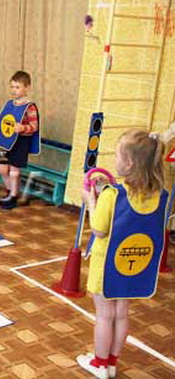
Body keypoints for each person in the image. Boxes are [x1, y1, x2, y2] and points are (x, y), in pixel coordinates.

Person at [77, 129, 168, 379]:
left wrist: (91, 201)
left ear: (128, 163)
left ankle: (99, 364)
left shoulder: (112, 195)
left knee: (105, 315)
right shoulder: (158, 195)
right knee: (121, 313)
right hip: (133, 265)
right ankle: (112, 363)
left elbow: (99, 229)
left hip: (106, 265)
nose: (114, 159)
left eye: (117, 155)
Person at [0, 71, 40, 210]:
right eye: (12, 87)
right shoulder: (9, 104)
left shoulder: (30, 107)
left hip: (20, 142)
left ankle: (13, 196)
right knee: (2, 169)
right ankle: (10, 190)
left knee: (14, 171)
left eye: (17, 87)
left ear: (27, 87)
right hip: (7, 142)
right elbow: (6, 121)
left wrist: (23, 128)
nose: (14, 90)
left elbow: (34, 126)